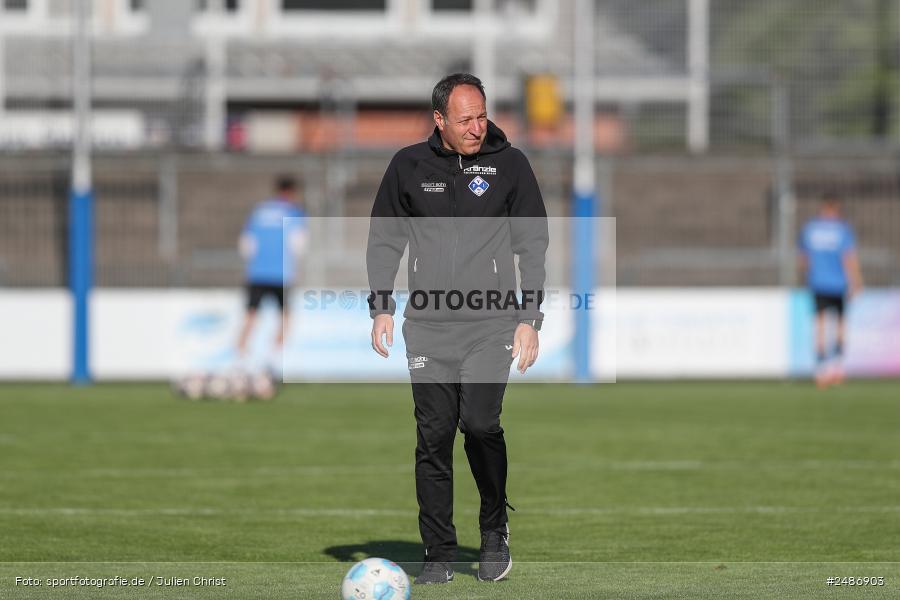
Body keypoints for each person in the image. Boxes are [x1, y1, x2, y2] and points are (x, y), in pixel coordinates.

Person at [366, 73, 548, 584]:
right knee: (434, 436)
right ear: (439, 120)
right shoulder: (408, 165)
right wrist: (381, 304)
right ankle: (438, 553)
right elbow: (384, 239)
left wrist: (530, 319)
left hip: (492, 323)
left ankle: (494, 532)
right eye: (465, 118)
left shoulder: (511, 166)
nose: (476, 126)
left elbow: (532, 247)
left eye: (482, 115)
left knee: (482, 425)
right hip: (426, 327)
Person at [237, 175, 308, 365]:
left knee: (250, 315)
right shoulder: (294, 212)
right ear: (291, 191)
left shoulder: (259, 211)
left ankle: (241, 357)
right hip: (282, 273)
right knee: (285, 317)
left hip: (257, 272)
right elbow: (298, 244)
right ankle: (273, 359)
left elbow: (246, 245)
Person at [798, 193, 863, 387]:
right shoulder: (842, 229)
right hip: (839, 283)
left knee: (820, 325)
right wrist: (857, 281)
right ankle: (837, 367)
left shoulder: (809, 228)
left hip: (817, 282)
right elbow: (848, 257)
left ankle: (820, 370)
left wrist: (806, 276)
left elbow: (803, 258)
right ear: (835, 209)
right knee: (841, 324)